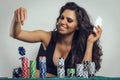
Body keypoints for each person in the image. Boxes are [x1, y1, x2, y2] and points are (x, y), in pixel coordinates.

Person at [10, 2, 103, 78]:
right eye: (61, 18)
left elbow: (85, 75)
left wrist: (90, 43)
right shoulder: (46, 37)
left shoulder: (81, 44)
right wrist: (16, 18)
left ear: (78, 26)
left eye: (69, 20)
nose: (62, 22)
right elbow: (16, 34)